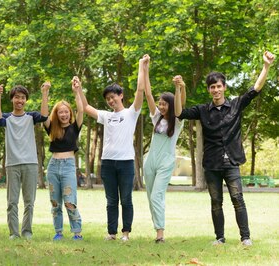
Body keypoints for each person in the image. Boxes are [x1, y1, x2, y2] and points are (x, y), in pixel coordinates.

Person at [177, 51, 275, 246]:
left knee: (238, 198)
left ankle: (245, 237)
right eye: (212, 87)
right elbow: (179, 112)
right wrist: (179, 89)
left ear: (224, 87)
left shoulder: (236, 105)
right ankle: (219, 238)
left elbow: (255, 89)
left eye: (219, 86)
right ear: (209, 90)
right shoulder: (203, 110)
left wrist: (266, 67)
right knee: (216, 202)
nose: (216, 90)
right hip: (212, 164)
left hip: (231, 161)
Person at [78, 55, 146, 242]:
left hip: (125, 163)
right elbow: (84, 107)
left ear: (121, 95)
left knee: (126, 199)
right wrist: (78, 90)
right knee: (111, 201)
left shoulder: (131, 113)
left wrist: (142, 66)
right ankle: (111, 233)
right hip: (107, 163)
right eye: (107, 98)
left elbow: (140, 90)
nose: (110, 100)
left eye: (113, 97)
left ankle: (126, 233)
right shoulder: (106, 116)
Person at [0, 82, 49, 240]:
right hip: (12, 164)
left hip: (30, 164)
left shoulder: (31, 117)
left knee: (29, 202)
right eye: (17, 97)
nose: (20, 100)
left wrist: (44, 93)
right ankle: (14, 233)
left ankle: (27, 232)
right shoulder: (7, 118)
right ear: (12, 99)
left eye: (23, 98)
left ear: (26, 100)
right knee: (12, 202)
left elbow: (44, 116)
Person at [141, 55, 186, 244]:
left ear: (170, 104)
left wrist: (179, 87)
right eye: (160, 103)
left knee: (157, 195)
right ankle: (157, 229)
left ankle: (160, 234)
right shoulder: (156, 118)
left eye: (164, 103)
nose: (160, 106)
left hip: (166, 161)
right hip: (150, 161)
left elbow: (180, 104)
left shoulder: (177, 122)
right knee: (151, 197)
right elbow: (148, 94)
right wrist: (145, 69)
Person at [43, 76, 84, 241]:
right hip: (53, 166)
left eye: (66, 111)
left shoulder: (75, 127)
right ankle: (58, 232)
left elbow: (81, 110)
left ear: (70, 113)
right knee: (55, 202)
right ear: (57, 114)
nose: (64, 114)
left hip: (68, 166)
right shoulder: (52, 128)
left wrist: (77, 92)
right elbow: (44, 114)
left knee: (69, 201)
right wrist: (45, 93)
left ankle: (77, 232)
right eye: (61, 112)